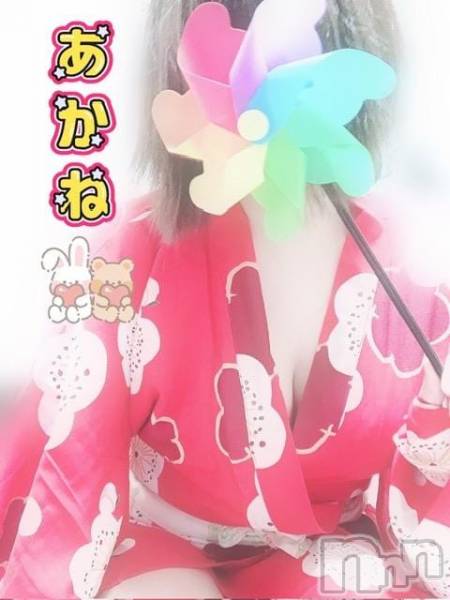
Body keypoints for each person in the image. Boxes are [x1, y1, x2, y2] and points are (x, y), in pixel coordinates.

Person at [1, 1, 450, 598]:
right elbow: (69, 458)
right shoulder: (125, 256)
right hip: (158, 545)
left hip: (327, 551)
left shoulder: (419, 275)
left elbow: (426, 479)